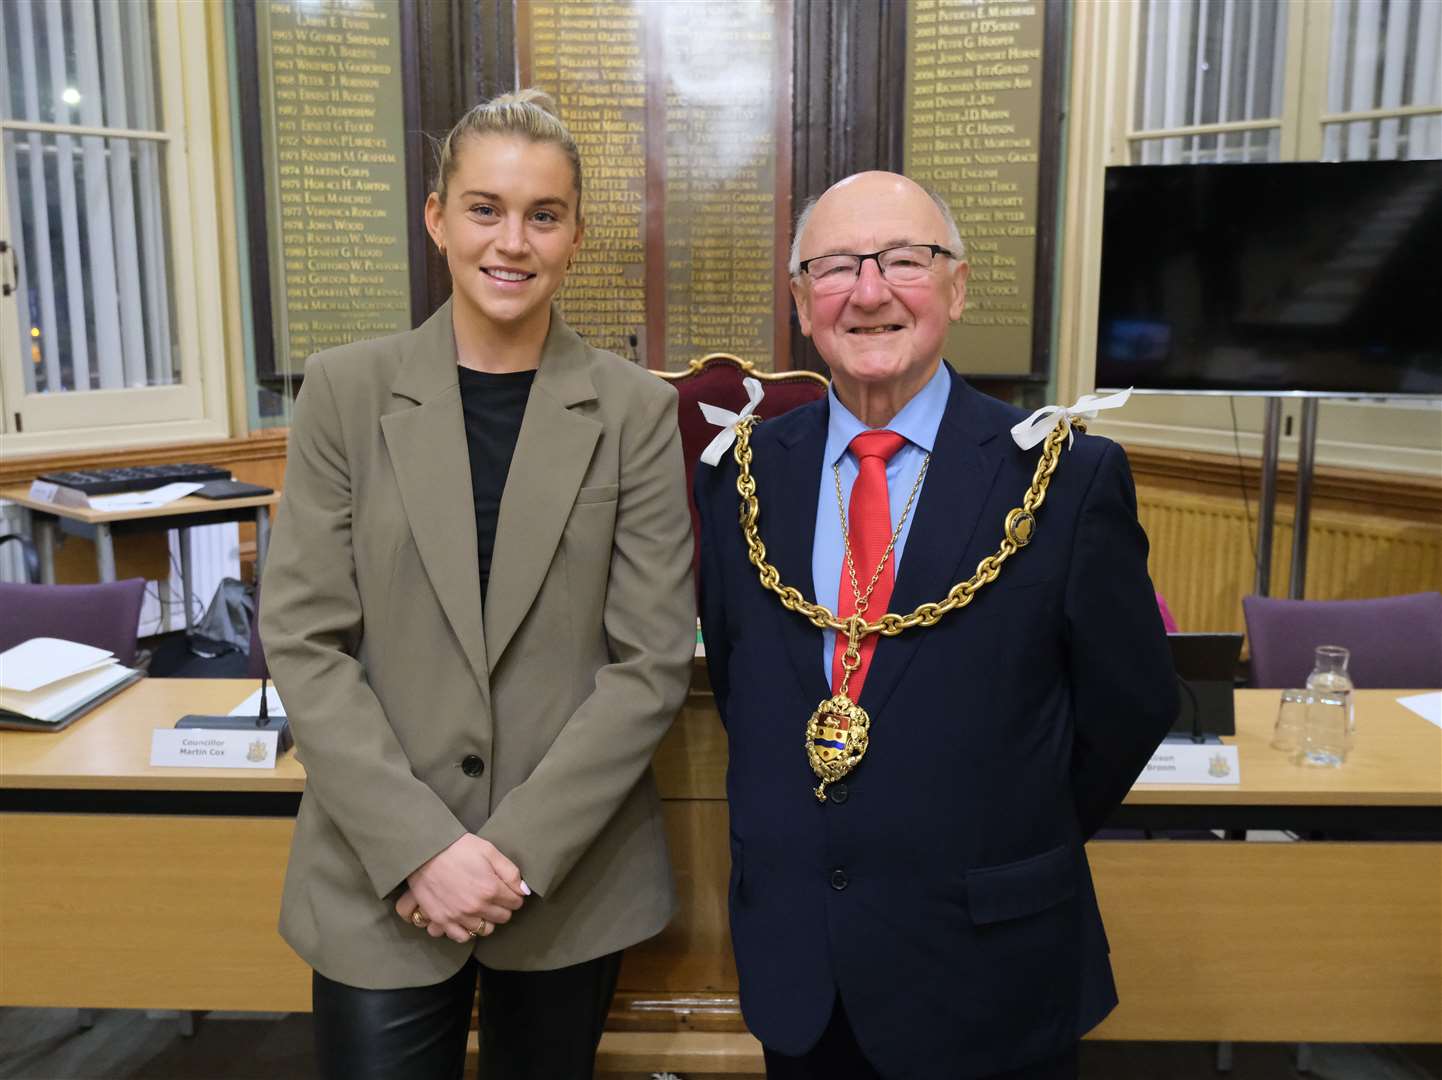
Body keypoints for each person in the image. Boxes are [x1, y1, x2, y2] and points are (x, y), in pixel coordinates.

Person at [694, 171, 1176, 1079]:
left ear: (955, 288)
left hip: (990, 966)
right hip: (803, 968)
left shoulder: (1066, 480)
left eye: (904, 261)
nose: (869, 291)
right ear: (802, 303)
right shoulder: (741, 478)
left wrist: (1001, 828)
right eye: (835, 267)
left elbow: (1131, 706)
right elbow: (743, 684)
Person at [260, 89, 695, 1080]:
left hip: (566, 873)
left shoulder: (632, 411)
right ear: (437, 219)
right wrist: (422, 849)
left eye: (543, 215)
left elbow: (649, 659)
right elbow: (304, 639)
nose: (512, 241)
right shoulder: (343, 392)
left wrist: (514, 855)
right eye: (484, 208)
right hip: (382, 869)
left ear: (575, 236)